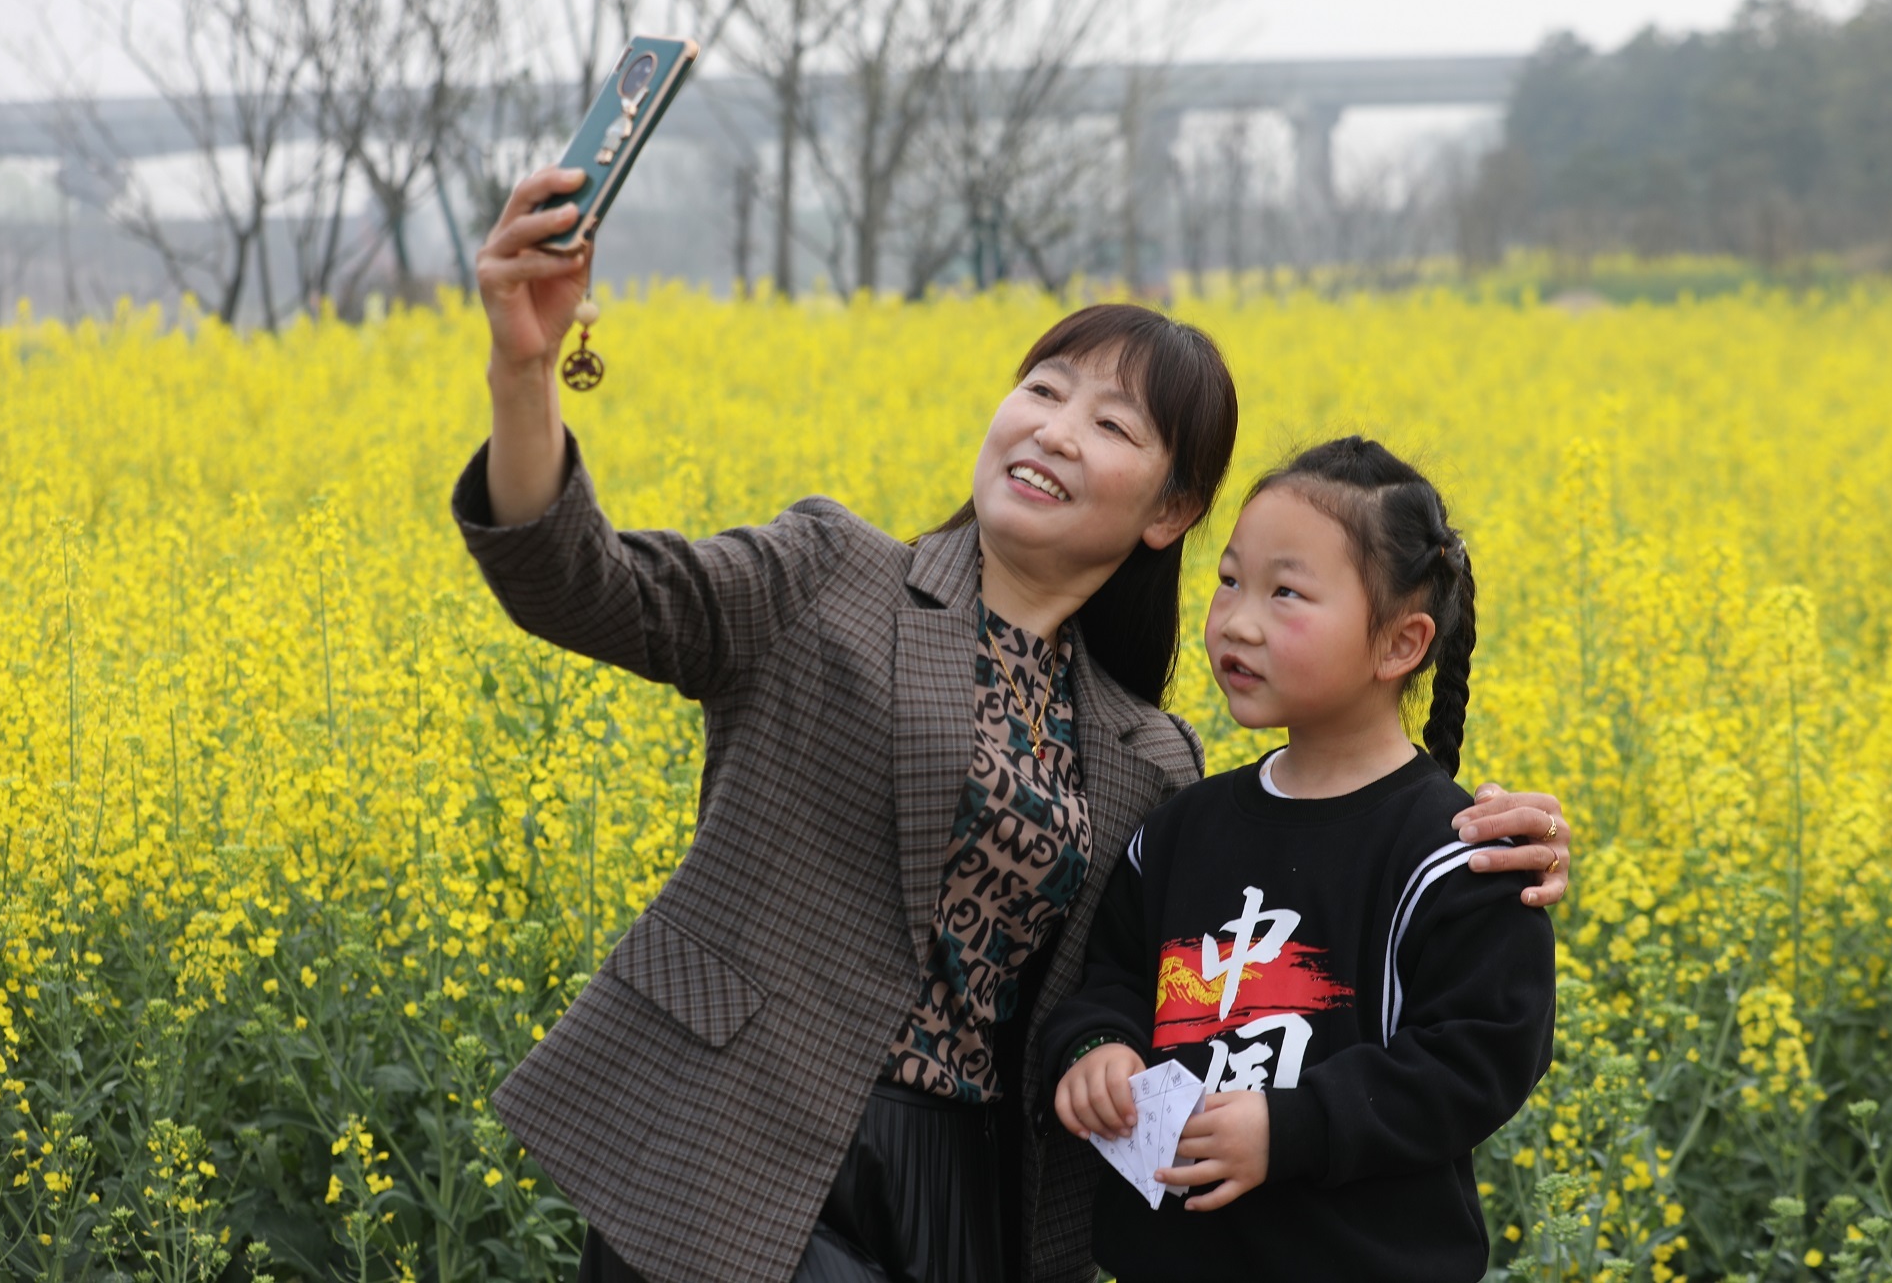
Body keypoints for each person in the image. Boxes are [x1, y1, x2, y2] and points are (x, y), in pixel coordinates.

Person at [455, 168, 1575, 1283]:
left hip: (971, 1187)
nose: (1054, 429)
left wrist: (1480, 836)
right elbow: (583, 585)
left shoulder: (1148, 757)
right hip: (732, 1139)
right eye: (1041, 389)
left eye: (1109, 422)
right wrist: (522, 368)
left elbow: (1174, 963)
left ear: (1168, 511)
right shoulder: (829, 575)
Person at [1044, 437, 1556, 1283]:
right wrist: (1097, 1045)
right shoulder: (1180, 829)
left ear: (1400, 645)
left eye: (1286, 593)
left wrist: (1294, 1127)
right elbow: (1112, 977)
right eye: (1230, 581)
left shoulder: (1457, 854)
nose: (1237, 621)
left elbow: (1480, 1056)